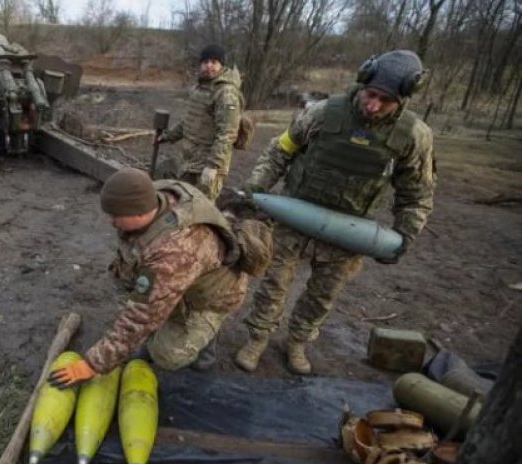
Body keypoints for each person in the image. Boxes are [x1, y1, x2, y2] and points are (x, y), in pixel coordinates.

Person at [233, 50, 437, 375]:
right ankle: (257, 337)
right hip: (293, 218)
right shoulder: (322, 113)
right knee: (274, 283)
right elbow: (280, 151)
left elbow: (417, 194)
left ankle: (297, 341)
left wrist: (404, 236)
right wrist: (255, 187)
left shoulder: (413, 136)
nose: (373, 105)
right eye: (371, 95)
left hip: (348, 231)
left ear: (403, 99)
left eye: (385, 101)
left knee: (322, 295)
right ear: (363, 82)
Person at [48, 168, 272, 389]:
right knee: (141, 295)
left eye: (115, 216)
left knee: (166, 355)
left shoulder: (174, 251)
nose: (110, 221)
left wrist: (92, 364)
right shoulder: (156, 194)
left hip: (213, 297)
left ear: (138, 213)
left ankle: (207, 338)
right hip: (184, 276)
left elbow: (141, 317)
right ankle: (173, 317)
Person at [156, 44, 244, 201]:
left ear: (221, 65)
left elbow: (227, 134)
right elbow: (189, 121)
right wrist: (167, 136)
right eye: (205, 62)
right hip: (189, 161)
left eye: (214, 62)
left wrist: (213, 166)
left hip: (207, 164)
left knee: (201, 207)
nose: (209, 66)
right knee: (183, 203)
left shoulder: (226, 92)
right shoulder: (198, 89)